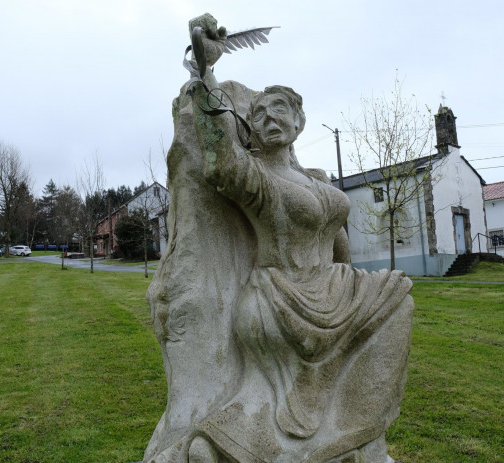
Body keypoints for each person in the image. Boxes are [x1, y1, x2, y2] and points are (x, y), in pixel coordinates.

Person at [144, 14, 413, 463]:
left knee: (397, 298)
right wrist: (205, 74)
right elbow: (222, 162)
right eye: (260, 114)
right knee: (387, 305)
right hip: (280, 296)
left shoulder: (317, 178)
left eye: (279, 111)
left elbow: (337, 241)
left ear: (299, 121)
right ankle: (261, 441)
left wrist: (353, 281)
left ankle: (349, 433)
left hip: (331, 287)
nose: (269, 119)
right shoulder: (259, 178)